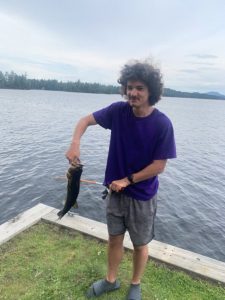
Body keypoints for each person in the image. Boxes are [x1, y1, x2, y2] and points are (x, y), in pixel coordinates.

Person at [66, 59, 176, 300]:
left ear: (151, 92)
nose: (133, 93)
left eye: (139, 88)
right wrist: (75, 143)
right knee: (114, 238)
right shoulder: (118, 111)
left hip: (142, 197)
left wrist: (128, 180)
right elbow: (85, 121)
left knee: (140, 244)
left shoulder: (162, 124)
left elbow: (160, 165)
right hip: (115, 193)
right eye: (129, 87)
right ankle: (111, 280)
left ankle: (135, 284)